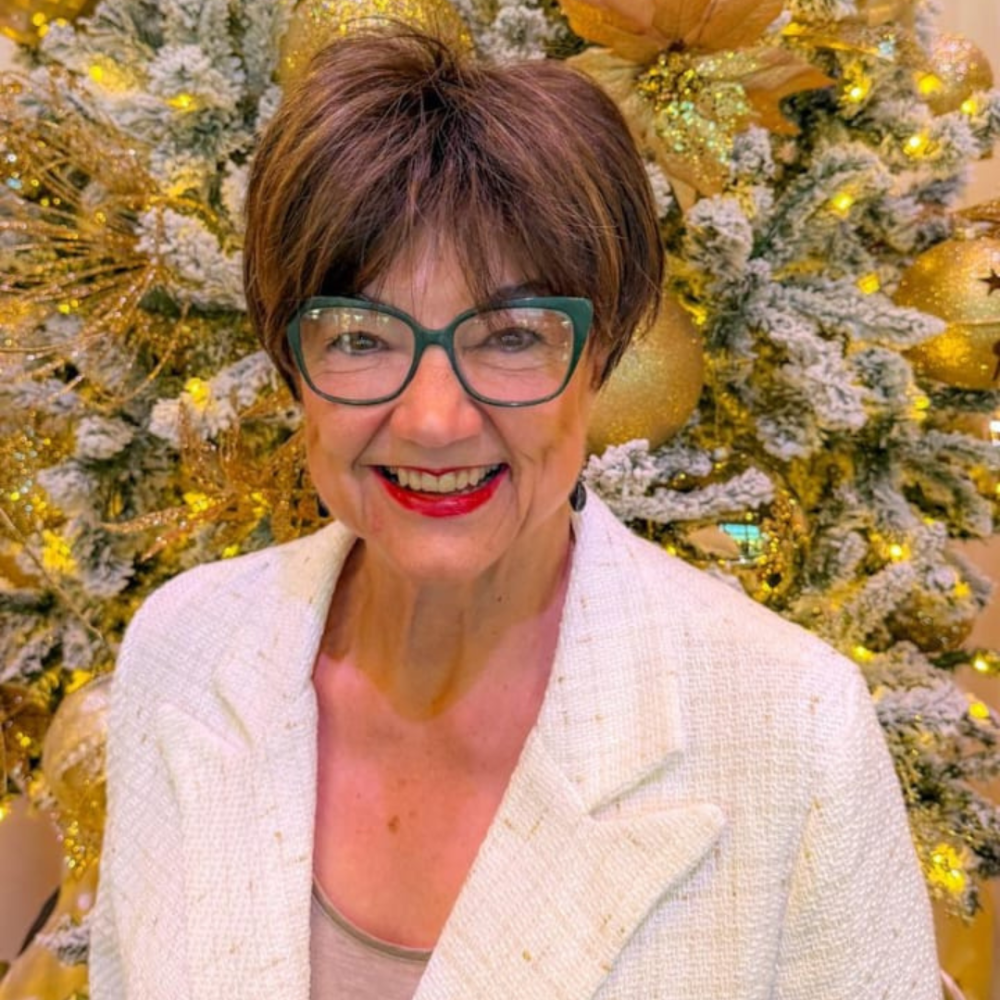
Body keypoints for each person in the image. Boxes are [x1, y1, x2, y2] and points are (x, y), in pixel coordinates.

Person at [89, 29, 941, 1000]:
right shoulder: (183, 651)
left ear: (599, 355)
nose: (435, 419)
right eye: (362, 337)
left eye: (509, 336)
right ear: (293, 361)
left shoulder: (793, 727)